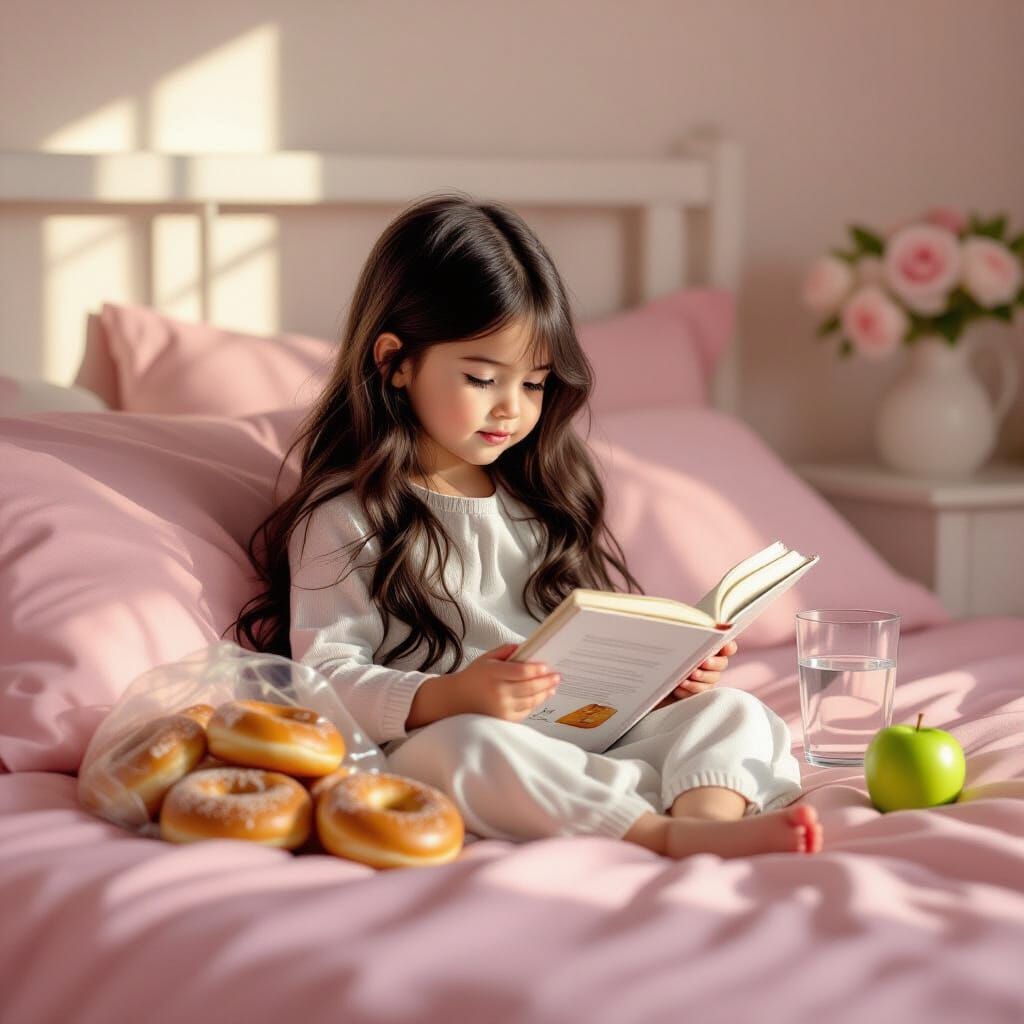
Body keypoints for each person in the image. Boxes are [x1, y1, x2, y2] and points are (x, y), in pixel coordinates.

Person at [230, 193, 824, 860]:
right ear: (394, 362)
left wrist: (668, 681)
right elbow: (325, 677)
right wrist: (447, 695)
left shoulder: (539, 500)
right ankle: (662, 833)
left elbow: (585, 668)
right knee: (467, 749)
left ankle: (710, 820)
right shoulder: (347, 517)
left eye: (536, 384)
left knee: (738, 713)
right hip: (457, 744)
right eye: (483, 378)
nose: (512, 409)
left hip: (583, 742)